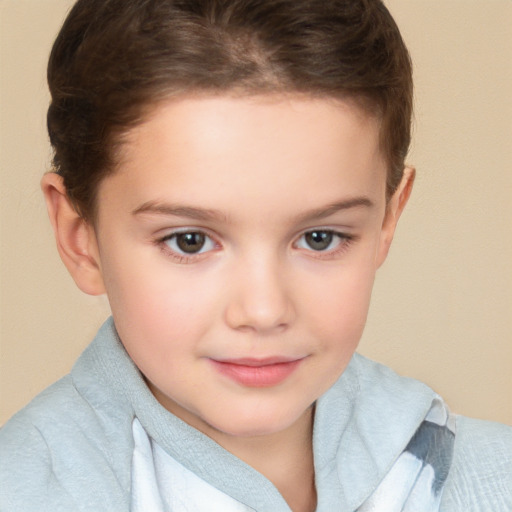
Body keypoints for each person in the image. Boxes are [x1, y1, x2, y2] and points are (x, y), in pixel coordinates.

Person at [0, 0, 510, 510]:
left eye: (320, 238)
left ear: (386, 220)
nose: (264, 311)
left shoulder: (493, 476)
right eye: (189, 241)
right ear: (79, 237)